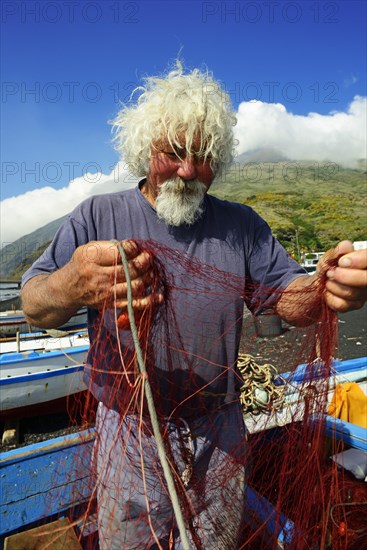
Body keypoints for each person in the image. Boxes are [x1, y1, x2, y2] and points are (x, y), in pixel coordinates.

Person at [21, 64, 367, 549]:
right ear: (145, 149)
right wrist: (71, 284)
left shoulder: (242, 225)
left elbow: (287, 300)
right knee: (131, 542)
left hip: (219, 428)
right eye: (173, 153)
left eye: (203, 157)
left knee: (214, 542)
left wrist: (329, 288)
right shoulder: (98, 215)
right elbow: (35, 305)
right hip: (130, 427)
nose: (187, 170)